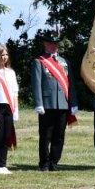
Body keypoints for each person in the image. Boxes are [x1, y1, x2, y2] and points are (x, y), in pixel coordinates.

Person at [31, 31, 78, 171]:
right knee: (45, 135)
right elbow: (36, 83)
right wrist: (38, 103)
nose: (54, 46)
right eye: (51, 43)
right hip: (47, 104)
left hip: (63, 103)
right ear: (45, 44)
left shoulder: (64, 62)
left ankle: (54, 162)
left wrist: (73, 102)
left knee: (59, 135)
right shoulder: (39, 61)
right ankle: (44, 163)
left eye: (56, 44)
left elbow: (71, 84)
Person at [0, 44, 19, 174]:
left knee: (7, 135)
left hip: (9, 107)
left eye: (6, 54)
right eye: (2, 55)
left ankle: (3, 164)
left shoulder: (11, 72)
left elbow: (14, 92)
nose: (4, 57)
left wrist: (16, 109)